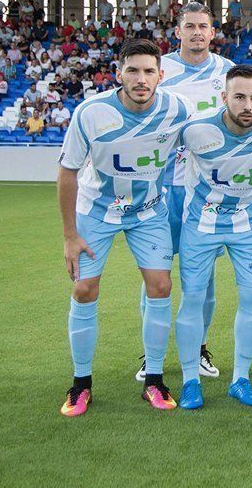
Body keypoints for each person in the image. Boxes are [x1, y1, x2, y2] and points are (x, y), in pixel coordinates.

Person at [56, 39, 192, 417]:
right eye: (132, 70)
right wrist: (70, 236)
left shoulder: (178, 110)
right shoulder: (91, 112)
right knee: (84, 289)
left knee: (161, 286)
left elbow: (203, 144)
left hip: (148, 211)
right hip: (96, 211)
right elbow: (67, 173)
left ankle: (154, 379)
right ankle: (80, 384)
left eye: (149, 71)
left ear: (161, 76)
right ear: (118, 74)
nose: (141, 78)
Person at [133, 1, 236, 382]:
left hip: (205, 191)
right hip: (160, 186)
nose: (196, 32)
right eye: (189, 26)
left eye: (203, 26)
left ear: (213, 32)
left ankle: (199, 347)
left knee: (202, 278)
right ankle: (150, 353)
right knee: (155, 275)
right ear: (178, 31)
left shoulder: (227, 72)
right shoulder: (158, 70)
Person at [174, 65, 252, 410]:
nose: (248, 105)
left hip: (248, 222)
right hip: (200, 223)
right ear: (224, 98)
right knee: (192, 299)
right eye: (239, 97)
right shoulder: (195, 131)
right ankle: (191, 380)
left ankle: (240, 379)